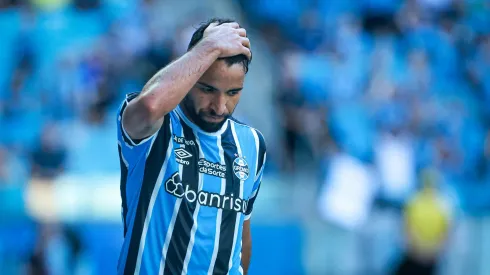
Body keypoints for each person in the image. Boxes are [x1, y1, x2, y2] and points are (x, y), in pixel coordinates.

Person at [116, 18, 266, 275]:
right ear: (191, 72)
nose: (220, 106)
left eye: (233, 93)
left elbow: (241, 236)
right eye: (208, 89)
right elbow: (151, 104)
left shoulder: (251, 143)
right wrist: (208, 48)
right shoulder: (156, 126)